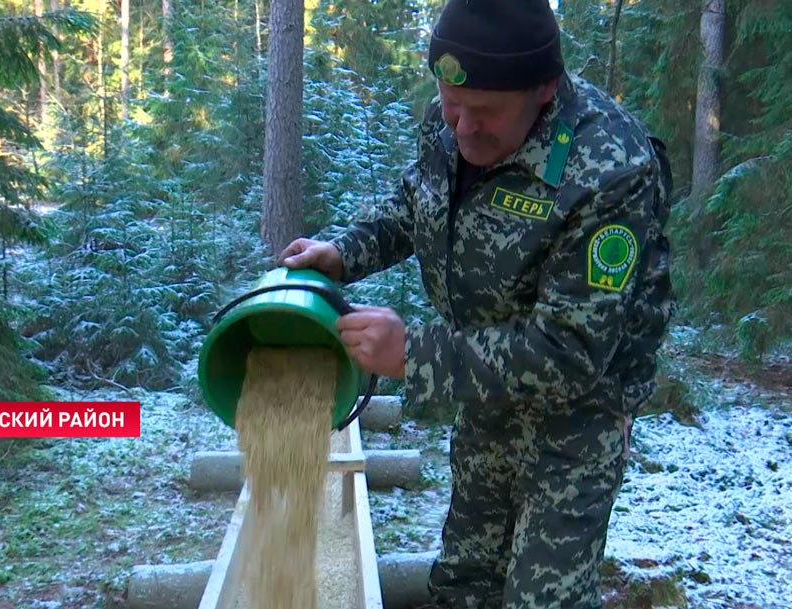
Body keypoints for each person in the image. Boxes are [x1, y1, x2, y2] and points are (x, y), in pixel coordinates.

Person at [277, 1, 673, 607]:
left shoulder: (609, 168)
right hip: (485, 384)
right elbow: (417, 201)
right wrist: (343, 252)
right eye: (451, 105)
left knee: (542, 596)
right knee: (466, 577)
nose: (461, 128)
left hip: (578, 416)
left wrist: (413, 353)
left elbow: (571, 351)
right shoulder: (457, 109)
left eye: (483, 114)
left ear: (544, 89)